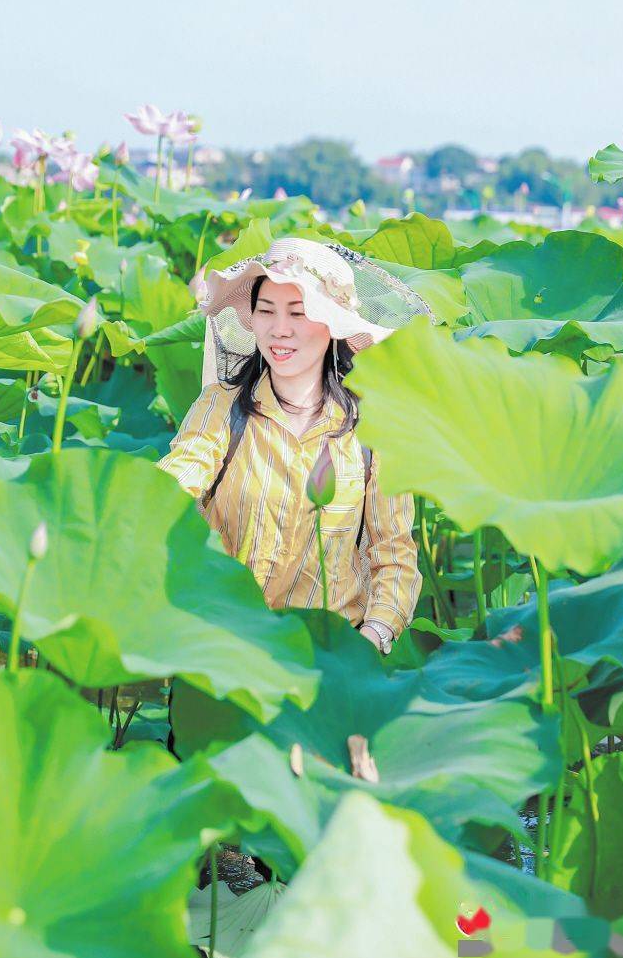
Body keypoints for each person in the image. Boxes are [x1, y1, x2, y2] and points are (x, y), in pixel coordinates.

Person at [156, 236, 432, 653]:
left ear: (334, 325)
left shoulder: (374, 431)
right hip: (220, 644)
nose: (279, 330)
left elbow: (393, 555)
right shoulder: (221, 408)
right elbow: (176, 480)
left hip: (324, 660)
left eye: (298, 313)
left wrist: (371, 639)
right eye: (266, 311)